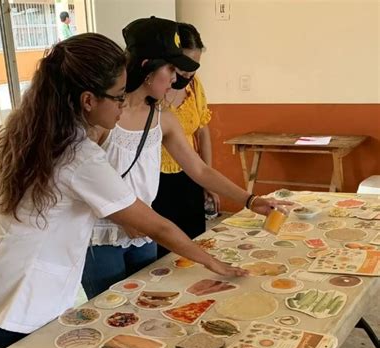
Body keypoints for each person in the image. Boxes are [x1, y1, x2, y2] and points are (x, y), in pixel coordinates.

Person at [0, 33, 248, 348]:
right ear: (87, 101)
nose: (123, 104)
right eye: (116, 97)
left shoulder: (22, 123)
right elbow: (155, 226)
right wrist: (212, 262)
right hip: (14, 289)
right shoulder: (78, 155)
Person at [82, 17, 290, 299]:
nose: (176, 79)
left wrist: (251, 201)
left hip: (145, 232)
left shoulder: (162, 118)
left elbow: (200, 171)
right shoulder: (101, 117)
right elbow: (81, 183)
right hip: (101, 235)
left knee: (147, 304)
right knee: (108, 312)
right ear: (147, 68)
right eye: (171, 69)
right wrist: (122, 218)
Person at [153, 22, 217, 258]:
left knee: (195, 245)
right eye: (183, 67)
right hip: (155, 179)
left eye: (194, 68)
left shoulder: (194, 87)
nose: (188, 75)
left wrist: (208, 181)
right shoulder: (152, 92)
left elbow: (202, 131)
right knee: (163, 252)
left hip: (189, 173)